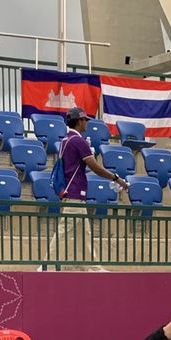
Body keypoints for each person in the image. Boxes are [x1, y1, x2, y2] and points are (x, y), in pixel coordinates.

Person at [50, 106, 129, 264]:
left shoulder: (66, 140)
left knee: (84, 234)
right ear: (79, 121)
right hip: (74, 194)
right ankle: (48, 265)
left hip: (72, 193)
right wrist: (116, 178)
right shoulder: (78, 141)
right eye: (85, 120)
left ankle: (91, 266)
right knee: (63, 232)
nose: (86, 123)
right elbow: (95, 167)